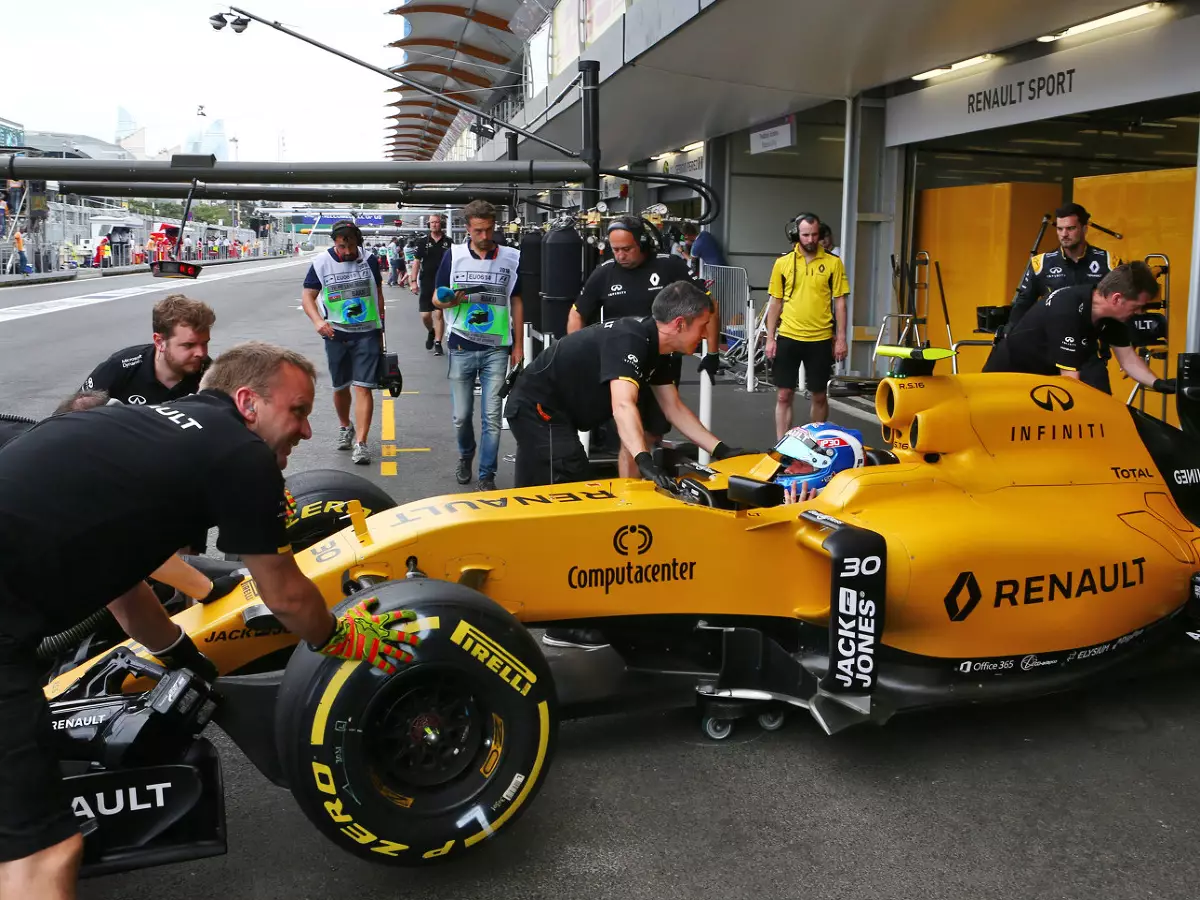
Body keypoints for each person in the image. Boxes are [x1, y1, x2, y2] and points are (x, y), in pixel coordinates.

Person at [0, 341, 422, 900]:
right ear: (248, 403)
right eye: (297, 412)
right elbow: (289, 597)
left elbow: (124, 590)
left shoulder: (138, 432)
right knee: (43, 854)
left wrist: (185, 657)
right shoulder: (238, 454)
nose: (307, 431)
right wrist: (342, 635)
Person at [506, 281, 748, 650]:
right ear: (681, 324)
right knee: (567, 504)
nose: (705, 336)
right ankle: (561, 625)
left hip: (559, 415)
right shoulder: (631, 340)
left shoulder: (660, 349)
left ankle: (524, 588)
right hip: (538, 410)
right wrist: (644, 461)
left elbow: (673, 409)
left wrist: (723, 450)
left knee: (536, 511)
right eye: (703, 326)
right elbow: (623, 405)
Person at [568, 215, 720, 478]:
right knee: (631, 433)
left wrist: (713, 351)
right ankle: (630, 497)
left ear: (643, 243)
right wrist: (579, 357)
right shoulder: (605, 272)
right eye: (615, 250)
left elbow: (709, 306)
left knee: (654, 431)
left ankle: (646, 480)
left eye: (627, 249)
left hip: (662, 361)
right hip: (622, 364)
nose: (621, 255)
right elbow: (576, 313)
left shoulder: (669, 266)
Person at [433, 200, 524, 492]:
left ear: (494, 226)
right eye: (478, 231)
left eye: (489, 230)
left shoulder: (511, 257)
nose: (485, 237)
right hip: (461, 345)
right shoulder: (454, 256)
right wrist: (449, 300)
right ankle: (465, 456)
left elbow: (517, 301)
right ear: (467, 229)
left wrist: (518, 346)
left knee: (492, 417)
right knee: (461, 417)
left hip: (497, 348)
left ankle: (487, 473)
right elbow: (436, 299)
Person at [983, 262, 1174, 396]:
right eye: (1137, 306)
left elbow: (1128, 359)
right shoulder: (1067, 310)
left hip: (1040, 380)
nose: (1140, 312)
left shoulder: (1111, 313)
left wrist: (1158, 384)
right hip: (1005, 381)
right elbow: (1070, 384)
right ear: (1117, 298)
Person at [1007, 202, 1122, 390]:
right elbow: (1023, 305)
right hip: (1048, 355)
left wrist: (1127, 347)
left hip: (1090, 354)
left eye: (1070, 228)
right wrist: (1012, 337)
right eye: (1060, 229)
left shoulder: (1108, 262)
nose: (1064, 234)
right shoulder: (1041, 263)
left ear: (1084, 228)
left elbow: (1121, 307)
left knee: (1096, 414)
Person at [300, 219, 384, 465]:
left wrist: (381, 331)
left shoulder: (369, 260)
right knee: (341, 387)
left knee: (363, 386)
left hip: (367, 332)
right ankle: (345, 426)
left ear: (358, 240)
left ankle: (361, 442)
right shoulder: (321, 263)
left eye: (351, 246)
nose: (347, 252)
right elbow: (307, 296)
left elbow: (378, 294)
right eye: (341, 247)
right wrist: (317, 321)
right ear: (334, 243)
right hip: (335, 333)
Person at [765, 213, 850, 438]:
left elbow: (840, 303)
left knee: (819, 395)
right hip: (789, 336)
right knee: (784, 395)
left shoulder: (833, 263)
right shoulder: (782, 263)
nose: (811, 239)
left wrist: (841, 338)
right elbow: (775, 302)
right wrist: (770, 337)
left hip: (820, 339)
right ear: (796, 235)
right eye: (805, 235)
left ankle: (817, 442)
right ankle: (781, 446)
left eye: (814, 234)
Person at [82, 294, 215, 406]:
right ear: (159, 342)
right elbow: (72, 414)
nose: (201, 353)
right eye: (188, 345)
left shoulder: (213, 375)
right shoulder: (120, 367)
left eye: (204, 343)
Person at [411, 214, 453, 356]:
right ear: (429, 224)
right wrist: (413, 282)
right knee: (425, 316)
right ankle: (431, 331)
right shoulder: (422, 241)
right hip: (426, 281)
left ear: (441, 224)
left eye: (437, 222)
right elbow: (416, 262)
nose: (434, 224)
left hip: (442, 282)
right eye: (432, 222)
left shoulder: (449, 242)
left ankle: (438, 343)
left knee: (439, 314)